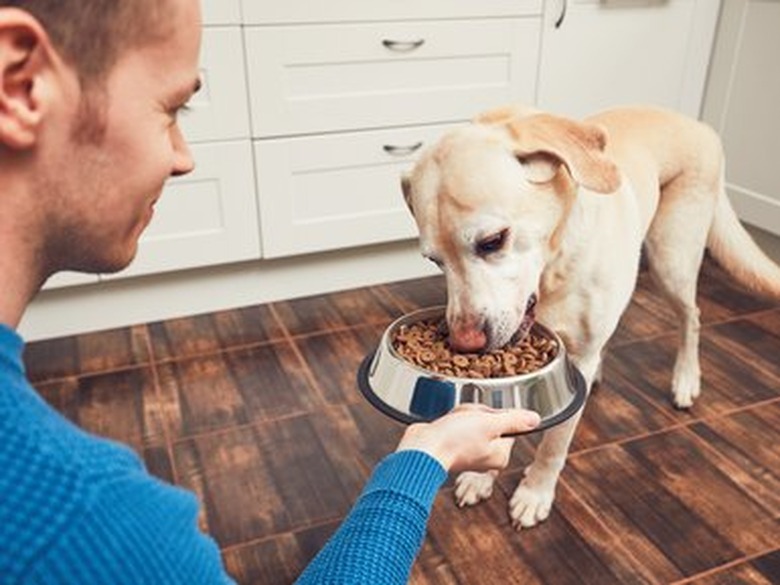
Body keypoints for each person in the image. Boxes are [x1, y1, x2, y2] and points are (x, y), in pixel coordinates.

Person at [0, 1, 541, 583]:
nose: (184, 157)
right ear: (21, 81)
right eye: (170, 109)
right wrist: (426, 459)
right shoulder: (95, 527)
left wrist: (425, 452)